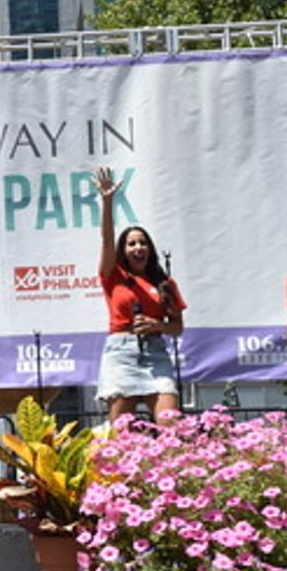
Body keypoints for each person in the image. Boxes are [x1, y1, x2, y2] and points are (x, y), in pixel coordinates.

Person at [94, 166, 186, 425]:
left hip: (155, 353)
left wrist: (157, 325)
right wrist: (107, 201)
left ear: (150, 249)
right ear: (123, 250)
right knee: (122, 433)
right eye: (132, 243)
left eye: (143, 243)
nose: (138, 247)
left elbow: (177, 327)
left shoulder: (165, 283)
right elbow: (106, 240)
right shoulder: (113, 276)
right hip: (121, 354)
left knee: (170, 424)